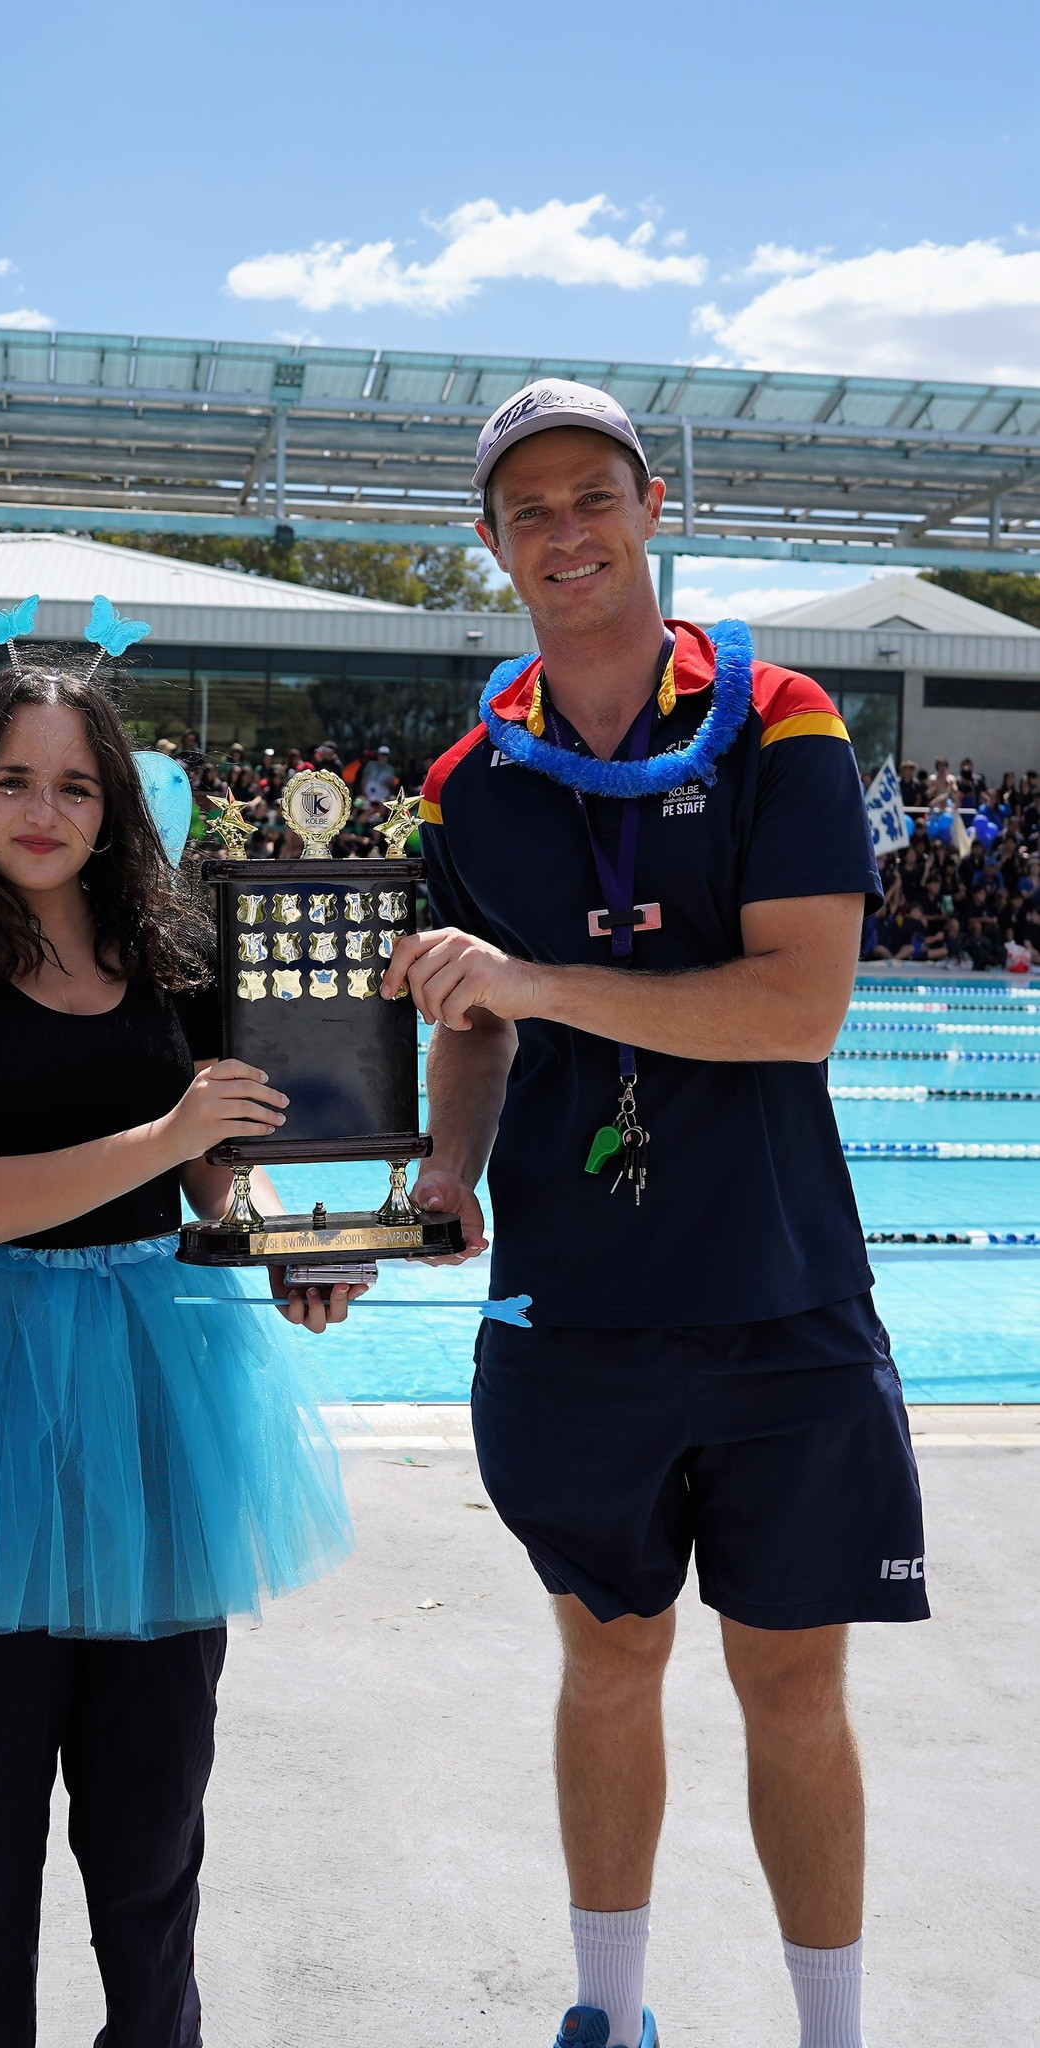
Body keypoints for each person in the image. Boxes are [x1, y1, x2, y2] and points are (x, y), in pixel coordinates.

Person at [382, 379, 927, 2048]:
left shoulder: (782, 723)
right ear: (491, 545)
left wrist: (541, 980)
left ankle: (828, 2033)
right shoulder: (466, 782)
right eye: (526, 511)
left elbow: (798, 1008)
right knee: (608, 1663)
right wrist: (448, 1165)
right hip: (576, 1303)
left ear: (649, 509)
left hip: (779, 1290)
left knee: (791, 1684)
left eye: (591, 497)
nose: (564, 533)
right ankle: (606, 2016)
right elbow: (471, 1024)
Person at [0, 644, 359, 2048]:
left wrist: (295, 1251)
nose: (43, 811)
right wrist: (171, 1131)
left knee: (153, 1805)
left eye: (75, 786)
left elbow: (218, 1183)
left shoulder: (174, 970)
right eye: (14, 780)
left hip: (155, 1387)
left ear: (114, 806)